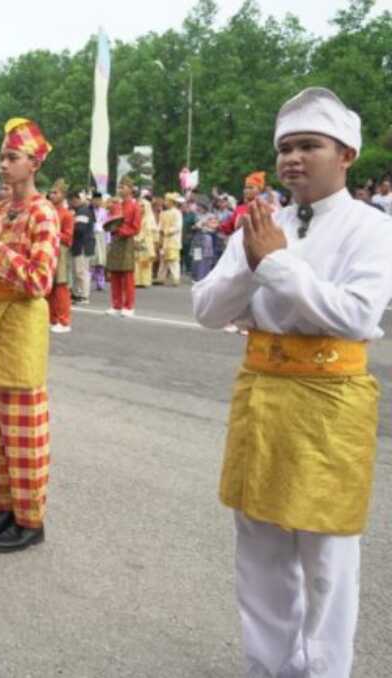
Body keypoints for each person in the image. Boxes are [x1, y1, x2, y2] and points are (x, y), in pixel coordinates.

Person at [191, 87, 392, 678]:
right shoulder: (261, 225)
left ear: (347, 154)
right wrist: (254, 265)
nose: (293, 159)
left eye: (310, 145)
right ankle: (269, 668)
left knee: (327, 559)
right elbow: (205, 308)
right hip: (262, 395)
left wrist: (275, 265)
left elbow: (358, 314)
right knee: (259, 551)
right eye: (285, 148)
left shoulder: (371, 228)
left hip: (331, 403)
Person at [0, 118, 58, 553]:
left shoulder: (44, 213)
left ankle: (30, 518)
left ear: (34, 162)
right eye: (2, 156)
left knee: (24, 428)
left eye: (12, 157)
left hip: (22, 325)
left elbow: (39, 281)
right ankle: (5, 510)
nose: (3, 164)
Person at [105, 179, 140, 316]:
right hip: (115, 240)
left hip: (127, 241)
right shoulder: (117, 205)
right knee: (115, 273)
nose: (120, 189)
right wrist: (111, 227)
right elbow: (110, 221)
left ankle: (129, 306)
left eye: (123, 186)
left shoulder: (135, 206)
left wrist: (122, 231)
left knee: (127, 275)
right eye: (119, 187)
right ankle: (116, 305)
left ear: (130, 189)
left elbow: (136, 228)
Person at [46, 180, 73, 333]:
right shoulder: (48, 210)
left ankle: (64, 321)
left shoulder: (67, 214)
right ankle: (52, 319)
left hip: (60, 251)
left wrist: (53, 233)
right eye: (51, 192)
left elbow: (68, 238)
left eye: (55, 192)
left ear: (63, 195)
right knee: (49, 286)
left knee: (60, 286)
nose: (52, 195)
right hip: (48, 249)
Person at [69, 191, 95, 303]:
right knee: (77, 271)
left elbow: (80, 229)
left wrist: (70, 225)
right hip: (80, 245)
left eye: (77, 198)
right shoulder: (81, 210)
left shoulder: (83, 211)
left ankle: (84, 295)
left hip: (82, 245)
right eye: (73, 198)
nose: (74, 200)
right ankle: (76, 293)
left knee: (81, 271)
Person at [156, 193, 183, 286]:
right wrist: (159, 231)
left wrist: (167, 231)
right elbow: (160, 225)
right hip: (164, 240)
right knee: (163, 260)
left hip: (173, 240)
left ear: (172, 202)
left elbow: (178, 227)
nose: (165, 202)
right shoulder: (163, 213)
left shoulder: (177, 213)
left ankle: (176, 278)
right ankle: (161, 278)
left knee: (173, 260)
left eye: (167, 200)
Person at [134, 192, 158, 289]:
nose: (141, 208)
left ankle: (145, 281)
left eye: (142, 206)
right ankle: (136, 280)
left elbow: (153, 231)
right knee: (136, 261)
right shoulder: (137, 217)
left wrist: (156, 243)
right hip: (137, 241)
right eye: (139, 206)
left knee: (145, 263)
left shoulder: (150, 218)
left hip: (146, 242)